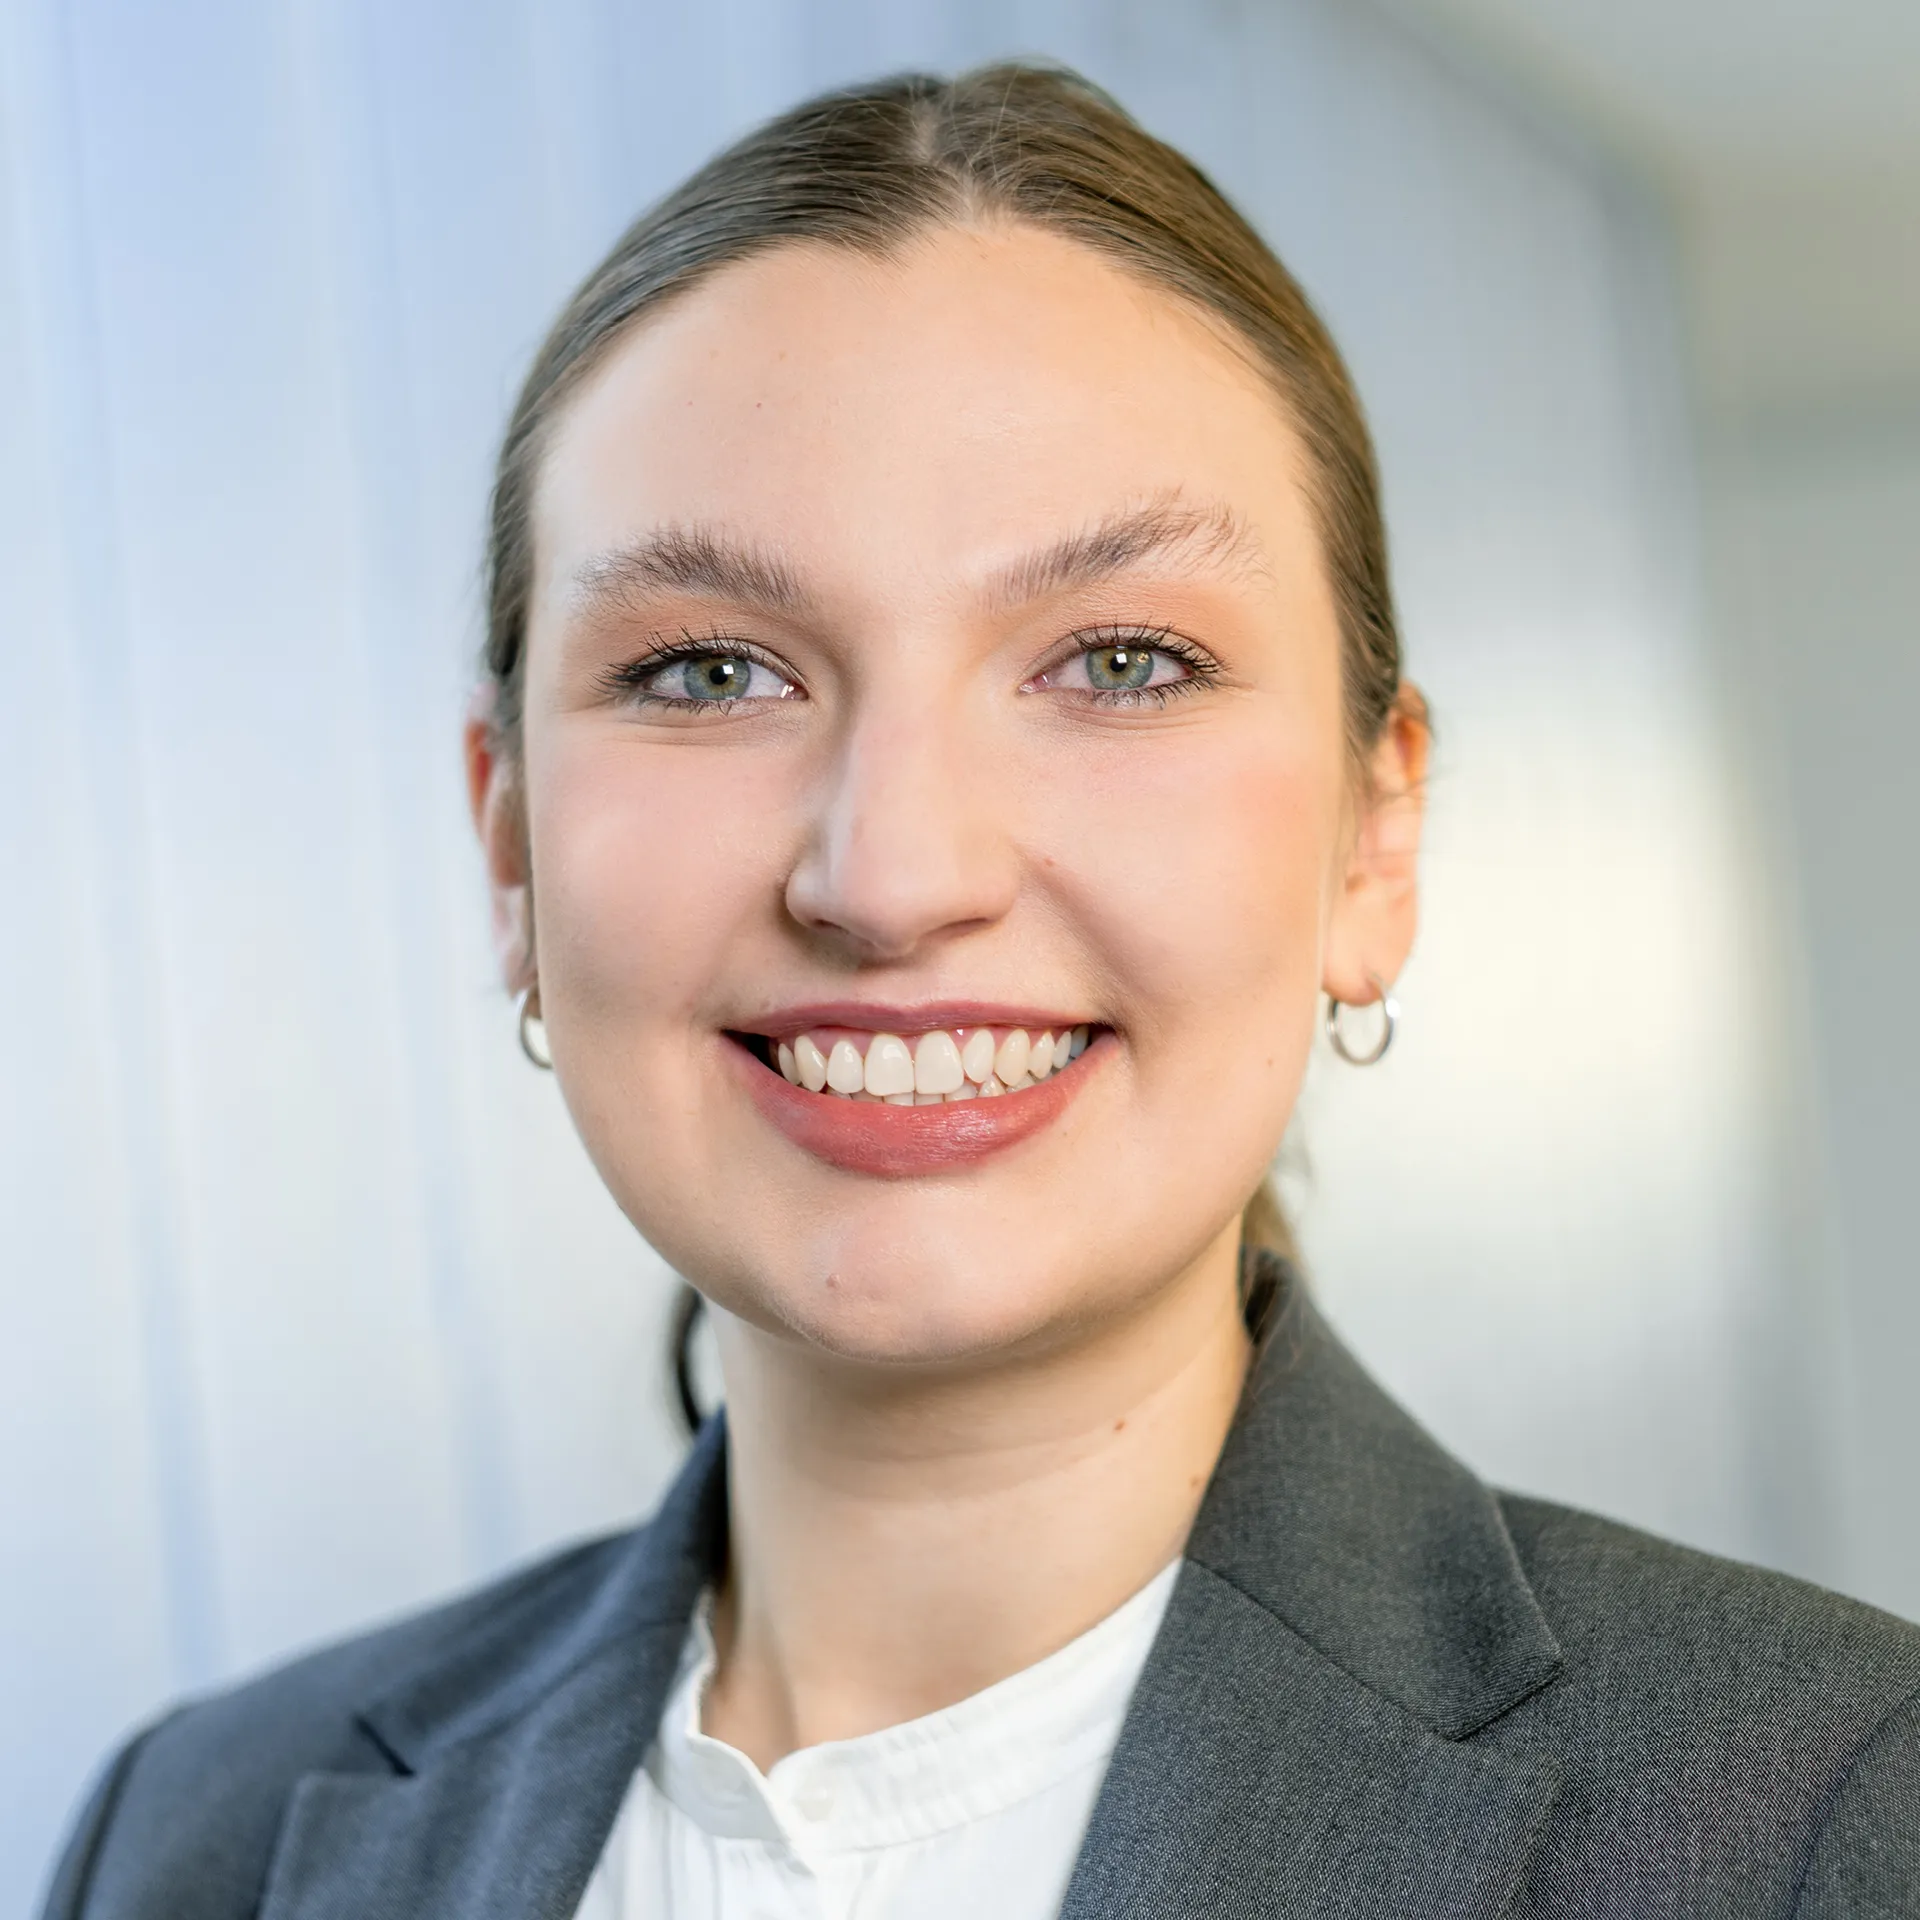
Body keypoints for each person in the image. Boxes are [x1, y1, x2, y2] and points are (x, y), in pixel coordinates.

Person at [41, 62, 1920, 1920]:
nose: (893, 875)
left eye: (1119, 662)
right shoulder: (193, 1843)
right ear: (512, 848)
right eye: (710, 673)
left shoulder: (1832, 1819)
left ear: (1373, 841)